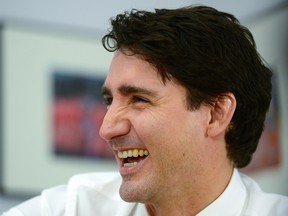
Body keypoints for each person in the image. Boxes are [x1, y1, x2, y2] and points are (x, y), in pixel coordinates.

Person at [2, 5, 288, 216]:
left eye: (138, 99)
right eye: (109, 100)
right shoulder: (77, 208)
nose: (106, 129)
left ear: (216, 114)